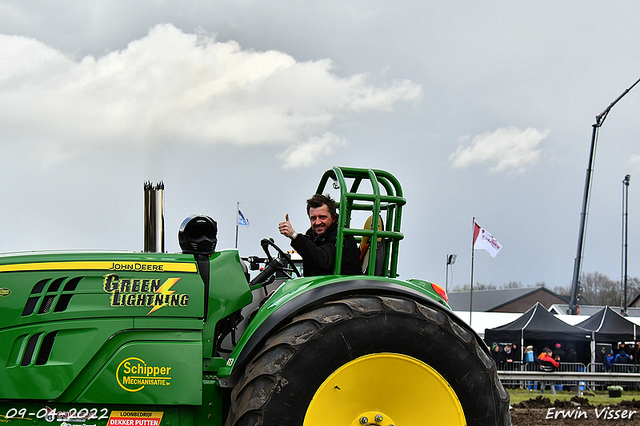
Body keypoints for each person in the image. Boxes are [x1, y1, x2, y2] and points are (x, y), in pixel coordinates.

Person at [278, 194, 361, 276]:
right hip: (323, 285)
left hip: (343, 285)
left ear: (333, 218)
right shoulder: (312, 234)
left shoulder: (341, 235)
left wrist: (294, 236)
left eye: (322, 217)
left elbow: (323, 260)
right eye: (313, 218)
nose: (317, 222)